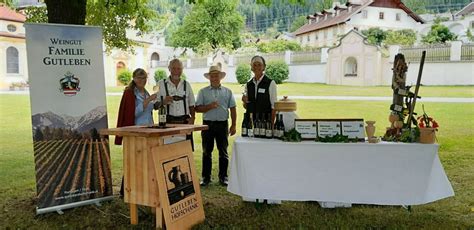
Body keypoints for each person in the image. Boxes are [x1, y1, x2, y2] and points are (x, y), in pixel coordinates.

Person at [115, 68, 157, 196]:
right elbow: (132, 114)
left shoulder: (145, 91)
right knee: (132, 161)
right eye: (139, 78)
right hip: (136, 131)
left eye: (144, 78)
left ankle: (141, 187)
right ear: (133, 78)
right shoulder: (129, 93)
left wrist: (159, 102)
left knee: (145, 160)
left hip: (148, 130)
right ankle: (125, 190)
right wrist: (148, 101)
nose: (141, 80)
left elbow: (150, 109)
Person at [195, 65, 236, 186]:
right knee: (206, 152)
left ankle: (223, 177)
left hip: (223, 124)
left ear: (220, 77)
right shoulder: (203, 92)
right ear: (209, 78)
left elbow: (233, 108)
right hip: (207, 125)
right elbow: (197, 108)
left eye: (216, 75)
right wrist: (209, 106)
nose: (214, 78)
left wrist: (233, 125)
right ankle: (206, 178)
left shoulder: (227, 92)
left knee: (223, 151)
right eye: (212, 76)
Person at [154, 59, 196, 148]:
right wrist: (163, 102)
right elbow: (155, 106)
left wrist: (193, 118)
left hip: (185, 122)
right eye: (174, 68)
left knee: (185, 150)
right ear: (169, 68)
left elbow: (192, 104)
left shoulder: (186, 84)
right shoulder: (160, 84)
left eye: (179, 69)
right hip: (167, 122)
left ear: (182, 69)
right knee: (168, 150)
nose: (176, 71)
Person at [242, 55, 277, 123]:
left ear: (264, 67)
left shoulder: (270, 83)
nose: (257, 67)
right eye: (254, 65)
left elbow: (274, 106)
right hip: (250, 122)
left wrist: (272, 124)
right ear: (251, 67)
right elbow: (246, 107)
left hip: (265, 122)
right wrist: (244, 101)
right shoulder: (248, 84)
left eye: (259, 65)